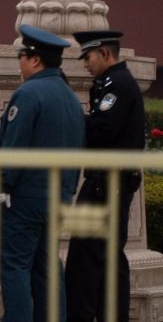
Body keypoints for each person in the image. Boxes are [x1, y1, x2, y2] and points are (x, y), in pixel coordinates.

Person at [0, 24, 84, 322]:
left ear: (35, 60)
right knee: (48, 268)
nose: (19, 62)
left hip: (25, 199)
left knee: (15, 266)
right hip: (58, 197)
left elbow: (14, 147)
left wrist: (5, 186)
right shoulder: (70, 98)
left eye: (22, 56)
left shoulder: (29, 93)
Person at [66, 30, 144, 322]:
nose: (86, 64)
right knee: (108, 258)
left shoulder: (118, 86)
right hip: (106, 182)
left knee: (85, 259)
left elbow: (102, 130)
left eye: (88, 57)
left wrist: (73, 118)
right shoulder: (109, 83)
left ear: (105, 53)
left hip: (106, 184)